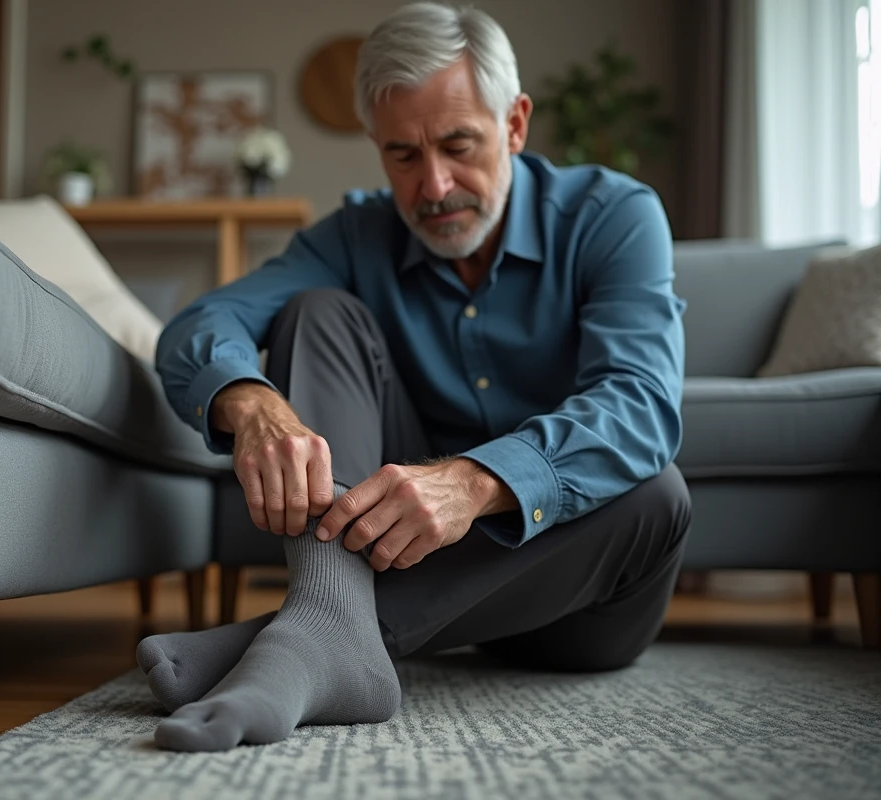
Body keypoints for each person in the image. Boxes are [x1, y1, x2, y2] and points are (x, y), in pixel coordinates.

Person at [137, 0, 691, 753]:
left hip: (581, 606)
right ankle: (326, 628)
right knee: (317, 310)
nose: (433, 186)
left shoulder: (614, 216)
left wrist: (476, 482)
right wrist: (252, 405)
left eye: (458, 145)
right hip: (404, 558)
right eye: (403, 155)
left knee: (659, 494)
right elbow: (198, 325)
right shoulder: (356, 236)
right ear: (376, 145)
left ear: (515, 124)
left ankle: (304, 636)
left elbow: (640, 403)